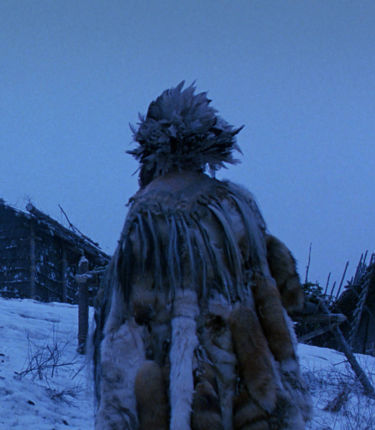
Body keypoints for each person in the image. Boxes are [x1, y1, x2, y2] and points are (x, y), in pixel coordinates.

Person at [93, 82, 310, 429]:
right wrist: (288, 378)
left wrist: (116, 411)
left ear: (150, 147)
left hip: (165, 380)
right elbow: (268, 301)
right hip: (240, 373)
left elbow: (125, 321)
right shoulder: (237, 204)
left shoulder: (145, 212)